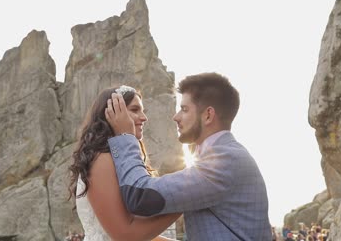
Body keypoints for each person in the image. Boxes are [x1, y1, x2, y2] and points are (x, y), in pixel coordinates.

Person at [105, 72, 271, 240]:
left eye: (184, 109)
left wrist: (125, 137)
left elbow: (140, 195)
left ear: (208, 115)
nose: (175, 117)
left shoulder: (226, 160)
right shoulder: (222, 157)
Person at [68, 86, 180, 241]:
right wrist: (185, 200)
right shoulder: (101, 160)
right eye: (135, 110)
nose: (144, 118)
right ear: (112, 114)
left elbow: (139, 232)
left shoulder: (116, 159)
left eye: (142, 111)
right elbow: (125, 236)